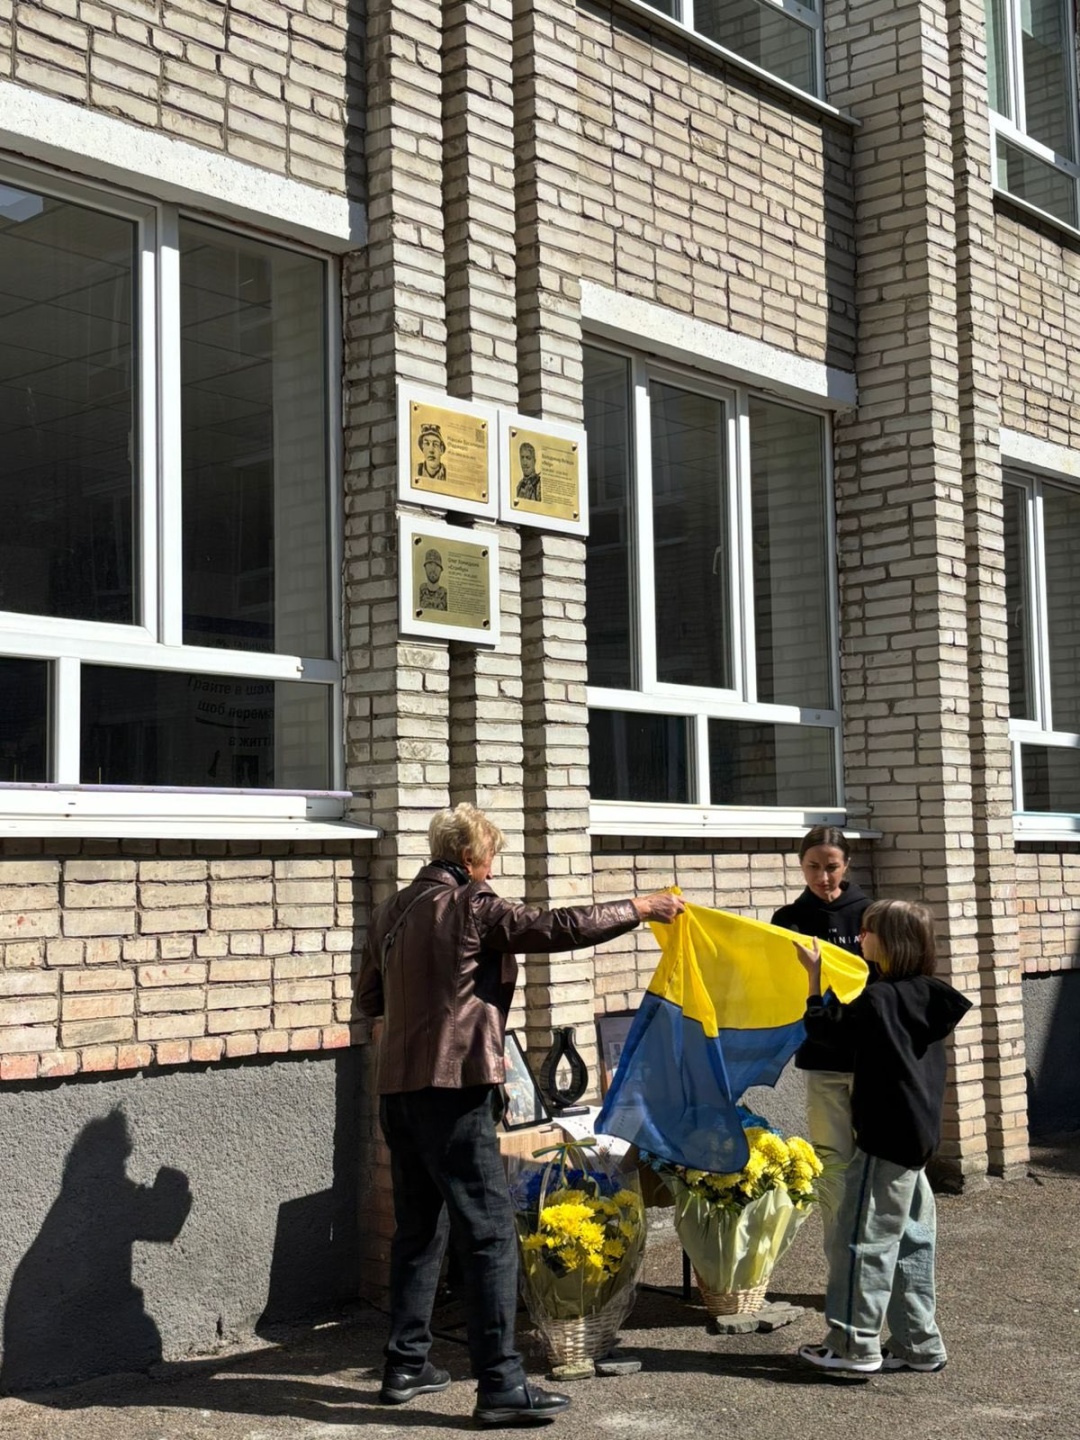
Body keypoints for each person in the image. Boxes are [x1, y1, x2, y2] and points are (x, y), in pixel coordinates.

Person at [356, 803, 684, 1428]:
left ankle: (405, 1365)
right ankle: (501, 1384)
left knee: (419, 1230)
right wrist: (640, 907)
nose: (492, 868)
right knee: (488, 1234)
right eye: (491, 858)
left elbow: (370, 999)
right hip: (455, 1088)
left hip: (398, 1090)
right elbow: (556, 927)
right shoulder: (473, 903)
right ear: (472, 857)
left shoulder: (391, 911)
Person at [791, 899, 971, 1375]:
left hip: (885, 1138)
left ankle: (853, 1345)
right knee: (911, 1240)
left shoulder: (879, 1001)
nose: (860, 938)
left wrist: (814, 979)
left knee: (862, 1240)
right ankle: (918, 1343)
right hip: (918, 1137)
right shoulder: (928, 995)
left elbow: (826, 1031)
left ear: (890, 942)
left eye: (868, 931)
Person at [770, 826, 873, 1250]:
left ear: (847, 865)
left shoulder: (871, 914)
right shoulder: (788, 920)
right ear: (800, 866)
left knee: (875, 1164)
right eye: (813, 867)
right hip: (822, 1060)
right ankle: (841, 1264)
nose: (823, 877)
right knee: (832, 1164)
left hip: (871, 1059)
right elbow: (776, 983)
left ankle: (873, 1262)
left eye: (832, 867)